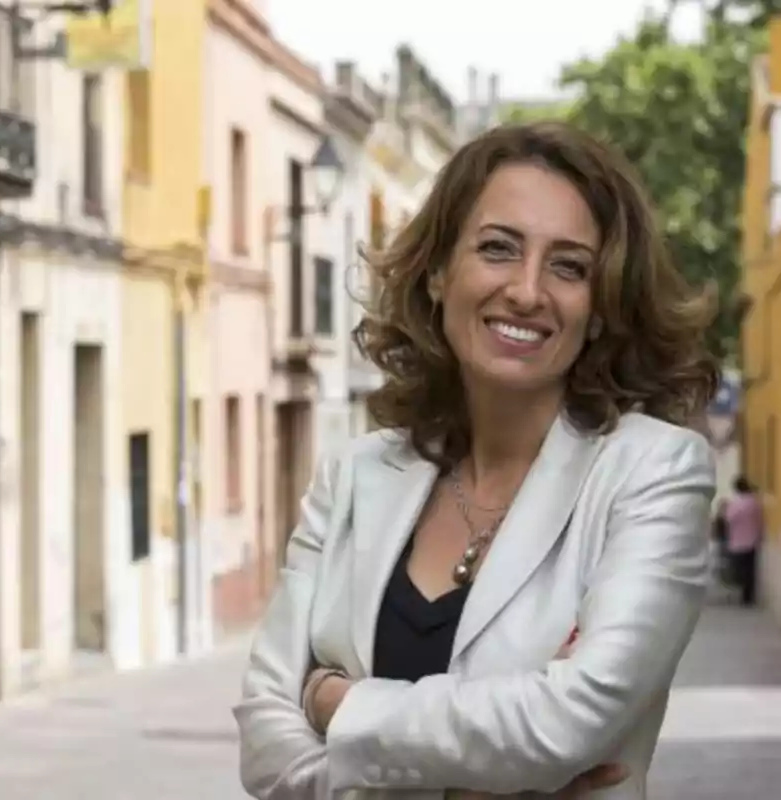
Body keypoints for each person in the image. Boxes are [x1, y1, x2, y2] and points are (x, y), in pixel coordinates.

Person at [233, 121, 721, 799]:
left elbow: (566, 725)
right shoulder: (354, 476)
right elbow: (264, 741)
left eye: (569, 266)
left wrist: (337, 707)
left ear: (602, 307)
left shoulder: (653, 473)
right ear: (438, 273)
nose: (526, 290)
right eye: (498, 249)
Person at [723, 476, 764, 606]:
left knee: (738, 569)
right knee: (750, 569)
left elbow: (729, 519)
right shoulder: (754, 502)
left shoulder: (735, 503)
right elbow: (760, 520)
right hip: (752, 541)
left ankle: (740, 591)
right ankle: (748, 596)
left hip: (737, 541)